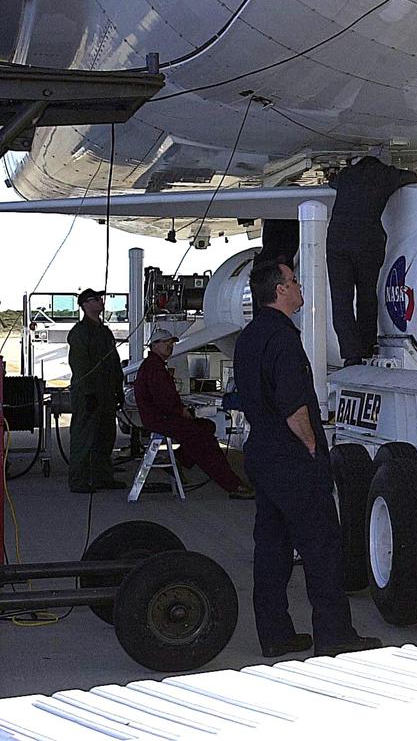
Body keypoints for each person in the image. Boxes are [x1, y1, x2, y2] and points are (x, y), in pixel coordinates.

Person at [233, 258, 381, 658]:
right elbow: (293, 403)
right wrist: (312, 445)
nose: (299, 288)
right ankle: (333, 634)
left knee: (272, 548)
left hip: (262, 454)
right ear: (280, 291)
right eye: (294, 281)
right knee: (322, 548)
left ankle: (276, 635)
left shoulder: (248, 337)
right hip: (291, 459)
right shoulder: (283, 338)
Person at [133, 326, 253, 499]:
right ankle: (232, 484)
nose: (170, 346)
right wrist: (182, 411)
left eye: (171, 343)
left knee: (207, 426)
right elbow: (163, 399)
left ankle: (179, 459)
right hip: (163, 419)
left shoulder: (154, 366)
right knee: (205, 441)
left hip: (162, 417)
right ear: (154, 345)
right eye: (166, 343)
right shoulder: (155, 368)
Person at [327, 147, 417, 366]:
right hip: (368, 241)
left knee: (341, 299)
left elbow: (332, 182)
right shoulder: (385, 174)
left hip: (338, 241)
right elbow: (411, 177)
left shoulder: (347, 175)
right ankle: (366, 345)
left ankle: (351, 354)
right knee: (367, 294)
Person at [67, 288, 126, 492]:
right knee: (84, 437)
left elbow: (114, 361)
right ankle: (79, 480)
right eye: (95, 299)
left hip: (107, 393)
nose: (101, 302)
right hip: (88, 394)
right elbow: (80, 365)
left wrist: (119, 387)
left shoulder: (104, 331)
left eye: (100, 298)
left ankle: (102, 477)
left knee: (105, 437)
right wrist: (88, 393)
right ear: (85, 305)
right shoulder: (80, 333)